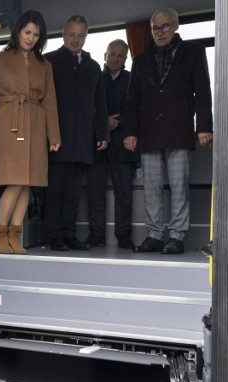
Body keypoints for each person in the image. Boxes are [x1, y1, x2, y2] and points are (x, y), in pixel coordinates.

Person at [0, 10, 61, 254]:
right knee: (16, 181)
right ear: (18, 31)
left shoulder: (45, 65)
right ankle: (1, 234)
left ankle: (14, 237)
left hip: (35, 122)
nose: (31, 38)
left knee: (28, 183)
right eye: (27, 32)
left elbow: (50, 101)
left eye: (36, 34)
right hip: (9, 121)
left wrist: (54, 137)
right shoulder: (0, 58)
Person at [124, 8, 213, 255]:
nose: (160, 32)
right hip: (148, 132)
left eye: (165, 27)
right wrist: (130, 131)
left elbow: (203, 91)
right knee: (151, 187)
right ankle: (154, 234)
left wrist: (204, 126)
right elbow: (132, 100)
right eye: (155, 28)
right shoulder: (141, 60)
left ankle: (176, 235)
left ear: (175, 26)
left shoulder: (194, 52)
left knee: (179, 185)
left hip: (179, 130)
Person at [45, 15, 109, 251]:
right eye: (71, 34)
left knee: (73, 193)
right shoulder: (48, 61)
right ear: (63, 35)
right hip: (56, 140)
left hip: (83, 141)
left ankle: (70, 234)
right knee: (54, 191)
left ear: (86, 36)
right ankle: (54, 235)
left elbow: (100, 103)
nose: (76, 39)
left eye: (81, 35)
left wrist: (103, 134)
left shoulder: (93, 68)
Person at [86, 39, 138, 249]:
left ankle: (123, 235)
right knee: (95, 191)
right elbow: (86, 105)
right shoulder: (94, 77)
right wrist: (104, 121)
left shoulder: (132, 79)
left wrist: (118, 122)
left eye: (121, 55)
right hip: (97, 142)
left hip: (124, 144)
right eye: (112, 54)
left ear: (126, 59)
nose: (116, 59)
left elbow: (137, 106)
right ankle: (96, 234)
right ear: (105, 55)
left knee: (124, 192)